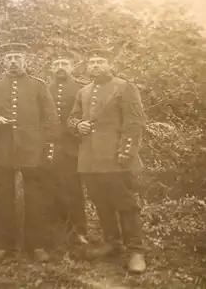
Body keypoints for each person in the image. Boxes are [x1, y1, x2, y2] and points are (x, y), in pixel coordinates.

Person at [0, 43, 59, 264]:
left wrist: (46, 148)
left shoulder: (38, 86)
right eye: (9, 58)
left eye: (18, 57)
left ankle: (37, 245)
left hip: (32, 151)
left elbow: (50, 119)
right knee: (3, 199)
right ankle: (3, 245)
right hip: (2, 150)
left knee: (35, 198)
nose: (13, 61)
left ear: (26, 61)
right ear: (3, 62)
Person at [68, 48, 147, 273]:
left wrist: (125, 154)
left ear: (109, 64)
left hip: (115, 158)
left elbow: (134, 123)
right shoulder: (83, 91)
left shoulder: (124, 87)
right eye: (91, 62)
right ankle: (112, 243)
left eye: (100, 61)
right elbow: (71, 118)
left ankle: (135, 251)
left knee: (126, 204)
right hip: (90, 160)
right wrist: (76, 125)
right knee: (101, 202)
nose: (95, 66)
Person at [46, 51, 89, 245]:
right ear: (52, 69)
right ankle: (57, 226)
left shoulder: (83, 88)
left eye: (64, 63)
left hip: (75, 146)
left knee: (73, 188)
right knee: (52, 185)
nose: (60, 67)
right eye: (56, 64)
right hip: (50, 146)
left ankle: (79, 230)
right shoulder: (45, 89)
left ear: (72, 67)